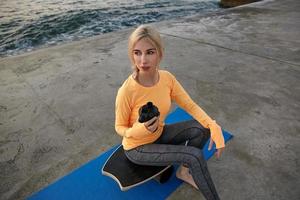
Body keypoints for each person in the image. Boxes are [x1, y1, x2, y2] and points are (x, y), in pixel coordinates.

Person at [115, 24, 225, 200]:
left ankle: (183, 172)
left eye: (150, 52)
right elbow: (119, 127)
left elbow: (190, 105)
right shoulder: (127, 91)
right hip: (137, 147)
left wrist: (212, 125)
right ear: (132, 55)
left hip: (160, 133)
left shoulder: (167, 79)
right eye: (137, 53)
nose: (143, 60)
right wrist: (138, 130)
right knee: (194, 156)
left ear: (160, 53)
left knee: (202, 128)